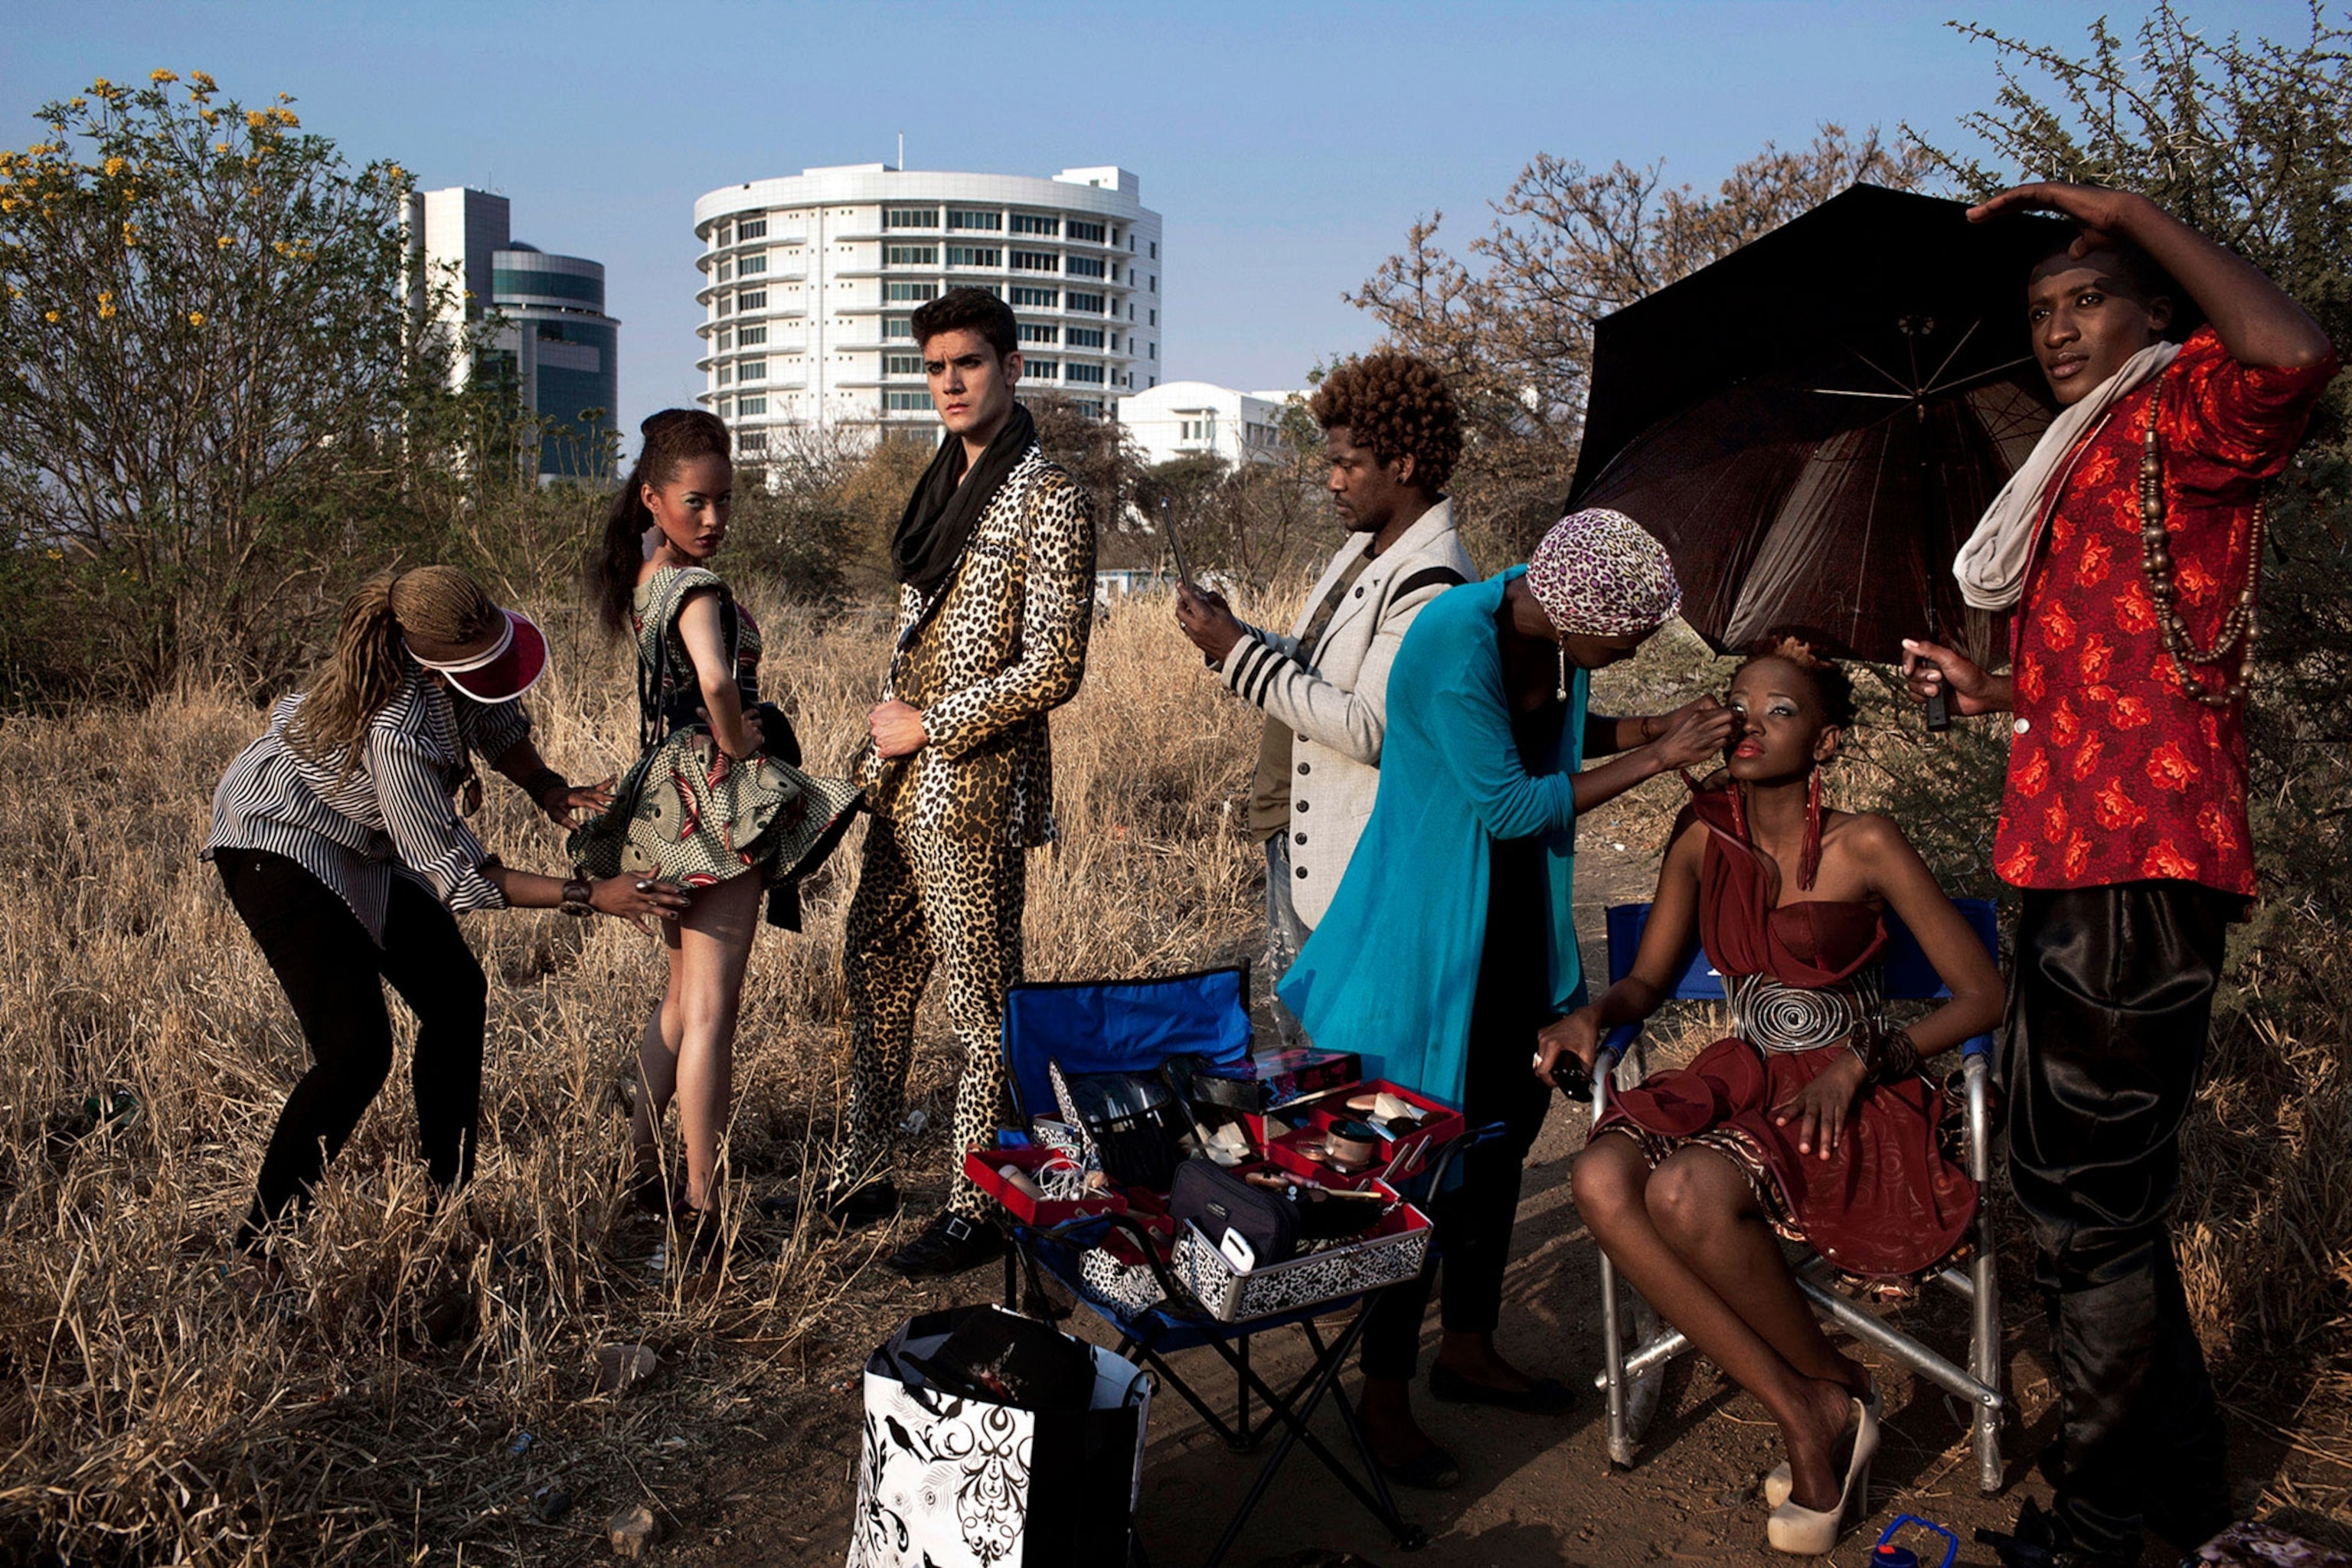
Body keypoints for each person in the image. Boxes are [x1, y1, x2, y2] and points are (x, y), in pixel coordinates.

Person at [1904, 183, 2335, 1568]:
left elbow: (2294, 354)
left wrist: (2129, 211)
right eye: (2041, 311)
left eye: (2088, 297)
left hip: (2141, 863)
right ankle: (2186, 1504)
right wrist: (1989, 689)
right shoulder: (2082, 451)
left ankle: (2097, 1532)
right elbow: (2114, 668)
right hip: (2069, 856)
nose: (2057, 329)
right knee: (2095, 1205)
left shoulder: (2183, 407)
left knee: (2084, 1209)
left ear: (2154, 308)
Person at [1276, 508, 1736, 1488]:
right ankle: (1383, 1393)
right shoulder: (1454, 642)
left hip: (1516, 934)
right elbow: (1514, 801)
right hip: (1433, 947)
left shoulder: (1547, 624)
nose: (1632, 651)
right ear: (1576, 612)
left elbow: (1549, 733)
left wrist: (1651, 726)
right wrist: (1658, 758)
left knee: (1498, 1148)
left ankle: (1469, 1346)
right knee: (1417, 1171)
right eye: (1627, 638)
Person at [1553, 639, 2004, 1555]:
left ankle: (1814, 1415)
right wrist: (1592, 1014)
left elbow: (1983, 995)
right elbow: (1645, 982)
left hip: (1853, 1085)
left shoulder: (1867, 840)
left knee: (1684, 1190)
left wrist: (1863, 1060)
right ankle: (1814, 1398)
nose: (1749, 722)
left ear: (1826, 741)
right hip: (1745, 1070)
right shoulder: (1701, 837)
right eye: (1739, 702)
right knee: (1599, 1176)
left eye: (1781, 710)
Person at [204, 566, 689, 1282]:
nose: (494, 670)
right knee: (356, 1051)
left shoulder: (454, 668)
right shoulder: (396, 733)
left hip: (362, 840)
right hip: (276, 841)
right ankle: (258, 1243)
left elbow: (495, 723)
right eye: (478, 664)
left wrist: (548, 788)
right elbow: (459, 879)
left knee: (456, 996)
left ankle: (448, 1217)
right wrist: (590, 894)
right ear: (431, 664)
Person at [826, 286, 1096, 1278]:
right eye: (936, 367)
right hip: (901, 783)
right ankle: (861, 1174)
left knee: (982, 1007)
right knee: (874, 966)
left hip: (974, 786)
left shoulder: (1051, 496)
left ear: (1011, 367)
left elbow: (1057, 664)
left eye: (968, 363)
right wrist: (886, 730)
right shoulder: (938, 485)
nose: (949, 382)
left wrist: (932, 722)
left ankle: (978, 1206)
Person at [571, 408, 863, 1233]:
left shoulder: (647, 575)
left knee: (679, 999)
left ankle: (641, 1165)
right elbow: (717, 682)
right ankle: (704, 1202)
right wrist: (740, 744)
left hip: (665, 799)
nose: (712, 518)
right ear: (652, 497)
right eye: (694, 502)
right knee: (710, 1012)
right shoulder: (697, 588)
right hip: (713, 798)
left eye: (724, 500)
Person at [1173, 353, 1475, 1036]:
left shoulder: (1431, 581)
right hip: (1300, 832)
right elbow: (1317, 667)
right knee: (1305, 1042)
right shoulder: (1369, 547)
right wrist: (1234, 635)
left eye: (1349, 465)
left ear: (1403, 464)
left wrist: (1237, 651)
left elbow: (1368, 726)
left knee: (1337, 1048)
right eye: (1332, 463)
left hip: (1352, 855)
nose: (1333, 481)